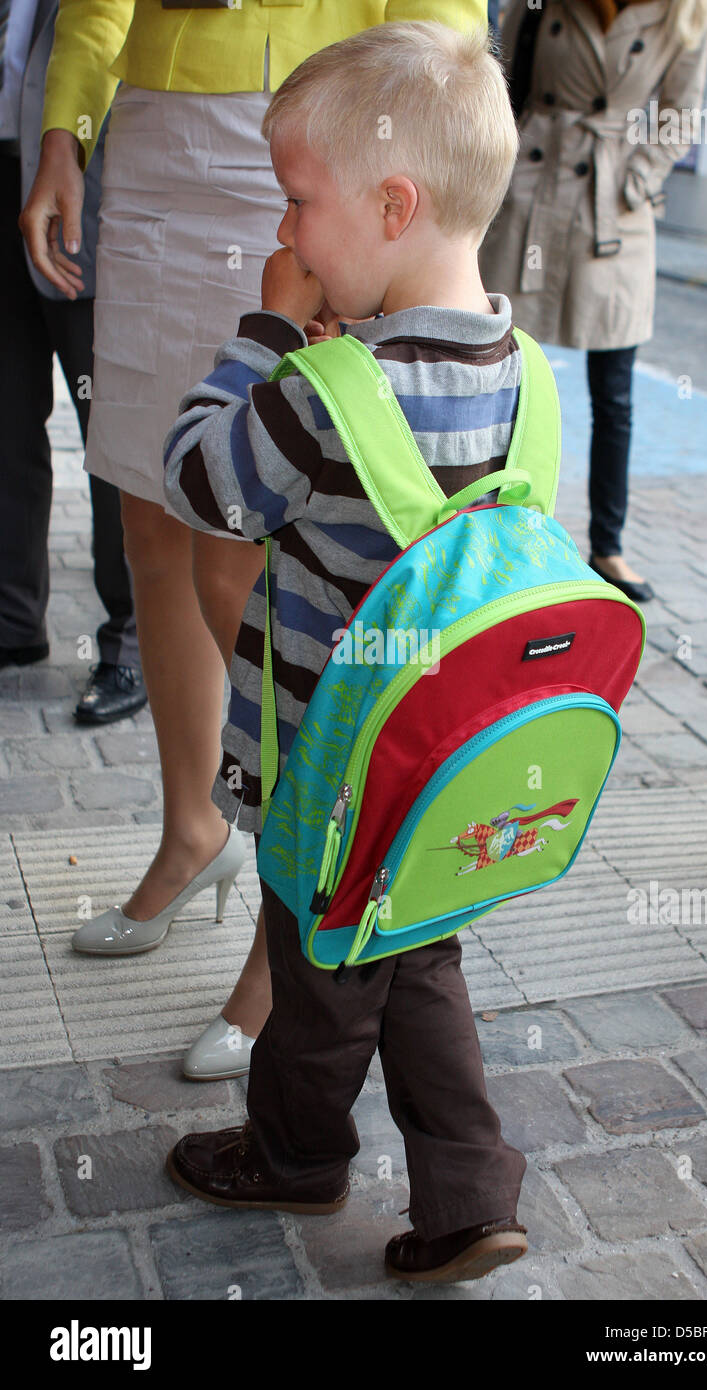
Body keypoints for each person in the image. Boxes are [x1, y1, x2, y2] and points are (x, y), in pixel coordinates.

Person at [19, 0, 486, 1081]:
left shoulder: (329, 194)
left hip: (317, 127)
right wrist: (67, 127)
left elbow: (445, 24)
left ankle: (298, 901)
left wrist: (397, 194)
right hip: (149, 127)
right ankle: (196, 830)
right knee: (150, 509)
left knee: (253, 537)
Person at [163, 19, 531, 1284]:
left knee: (323, 988)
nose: (287, 238)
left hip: (327, 777)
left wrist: (266, 332)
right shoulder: (524, 372)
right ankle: (474, 1192)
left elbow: (202, 483)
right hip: (444, 776)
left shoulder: (324, 393)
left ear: (392, 202)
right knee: (424, 967)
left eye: (300, 203)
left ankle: (298, 1155)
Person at [479, 0, 707, 603]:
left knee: (614, 390)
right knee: (501, 369)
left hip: (611, 205)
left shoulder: (686, 13)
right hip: (530, 188)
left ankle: (608, 546)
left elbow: (681, 114)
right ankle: (490, 536)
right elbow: (502, 81)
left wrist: (636, 180)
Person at [1, 0, 143, 721]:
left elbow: (99, 32)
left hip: (84, 188)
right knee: (6, 417)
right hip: (3, 164)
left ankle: (129, 644)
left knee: (111, 432)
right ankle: (12, 620)